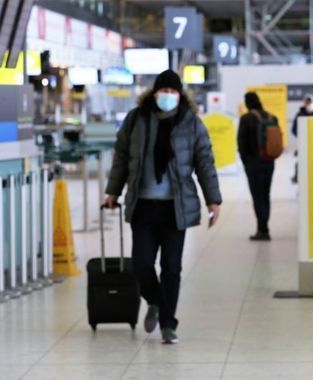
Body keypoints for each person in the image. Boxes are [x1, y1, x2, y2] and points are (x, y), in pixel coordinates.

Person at [104, 70, 222, 343]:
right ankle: (157, 302)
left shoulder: (191, 123)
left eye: (172, 92)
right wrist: (113, 190)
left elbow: (205, 162)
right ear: (153, 92)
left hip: (175, 207)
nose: (167, 96)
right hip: (143, 205)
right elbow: (121, 157)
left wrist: (213, 200)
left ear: (180, 95)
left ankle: (168, 324)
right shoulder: (136, 120)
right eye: (163, 91)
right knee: (141, 265)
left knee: (171, 268)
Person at [238, 92, 275, 241]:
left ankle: (262, 230)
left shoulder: (246, 119)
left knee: (257, 196)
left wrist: (245, 162)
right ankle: (265, 227)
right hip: (269, 162)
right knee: (266, 195)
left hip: (254, 163)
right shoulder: (272, 117)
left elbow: (241, 143)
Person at [291, 95, 313, 183]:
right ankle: (298, 177)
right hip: (304, 143)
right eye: (307, 102)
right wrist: (302, 135)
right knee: (302, 163)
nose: (308, 104)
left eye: (310, 102)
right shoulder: (300, 114)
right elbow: (294, 129)